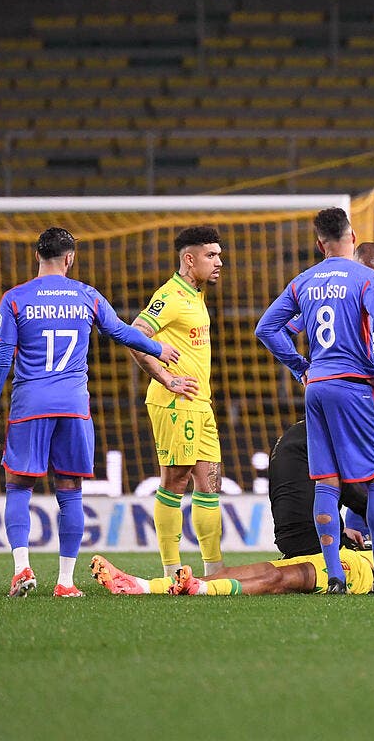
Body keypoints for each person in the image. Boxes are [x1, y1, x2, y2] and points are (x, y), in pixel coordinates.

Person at [0, 228, 183, 598]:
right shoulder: (87, 296)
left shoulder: (15, 299)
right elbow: (121, 332)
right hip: (74, 407)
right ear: (69, 258)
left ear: (38, 256)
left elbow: (1, 358)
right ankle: (65, 582)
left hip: (30, 407)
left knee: (19, 487)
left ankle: (21, 567)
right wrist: (157, 347)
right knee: (71, 492)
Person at [255, 208, 374, 594]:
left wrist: (300, 366)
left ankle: (334, 575)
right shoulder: (365, 277)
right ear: (352, 235)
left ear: (319, 243)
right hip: (355, 386)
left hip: (317, 387)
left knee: (327, 480)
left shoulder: (303, 281)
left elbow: (266, 328)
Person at [127, 226, 225, 578]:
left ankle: (214, 568)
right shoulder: (170, 295)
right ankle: (171, 570)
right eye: (211, 255)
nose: (219, 262)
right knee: (176, 480)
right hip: (174, 402)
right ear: (189, 259)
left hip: (200, 402)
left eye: (218, 254)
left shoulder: (194, 294)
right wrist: (167, 378)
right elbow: (135, 334)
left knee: (210, 481)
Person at [88, 541, 374, 596]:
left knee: (279, 580)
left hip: (360, 574)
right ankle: (145, 585)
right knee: (259, 566)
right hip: (347, 557)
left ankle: (199, 591)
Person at [266, 419, 370, 558]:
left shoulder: (290, 437)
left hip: (287, 538)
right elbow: (348, 489)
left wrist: (341, 530)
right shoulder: (325, 436)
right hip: (318, 539)